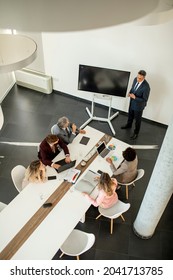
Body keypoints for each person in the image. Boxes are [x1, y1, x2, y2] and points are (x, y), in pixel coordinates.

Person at [121, 70, 150, 139]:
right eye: (137, 77)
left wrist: (135, 97)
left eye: (139, 78)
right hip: (132, 102)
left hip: (139, 106)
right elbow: (133, 88)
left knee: (137, 120)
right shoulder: (135, 79)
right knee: (130, 115)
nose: (137, 79)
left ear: (144, 78)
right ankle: (129, 125)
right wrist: (129, 93)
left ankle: (136, 133)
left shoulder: (146, 87)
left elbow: (144, 100)